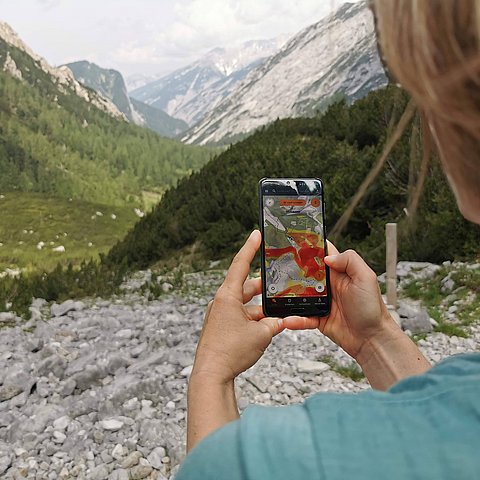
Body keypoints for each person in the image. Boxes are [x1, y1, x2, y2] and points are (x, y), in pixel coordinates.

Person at [177, 0, 480, 478]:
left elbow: (212, 467)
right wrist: (373, 335)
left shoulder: (282, 459)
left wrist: (212, 374)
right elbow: (445, 412)